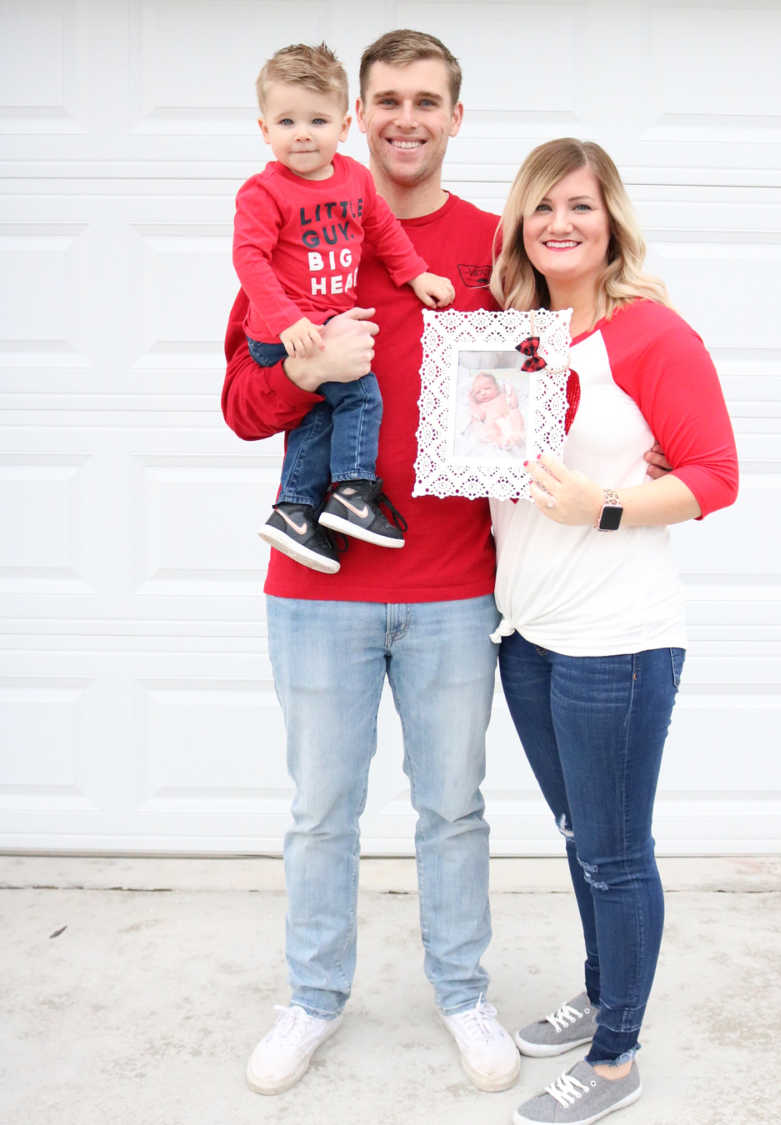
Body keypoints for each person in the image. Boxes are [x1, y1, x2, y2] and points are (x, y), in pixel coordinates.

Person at [222, 29, 522, 1097]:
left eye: (425, 100)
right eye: (386, 97)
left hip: (450, 586)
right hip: (314, 592)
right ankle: (311, 998)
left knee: (453, 807)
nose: (405, 116)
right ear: (357, 112)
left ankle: (463, 993)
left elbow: (546, 385)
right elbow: (240, 405)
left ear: (453, 116)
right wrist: (312, 370)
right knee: (321, 811)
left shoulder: (493, 242)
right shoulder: (299, 224)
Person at [488, 138, 739, 1124]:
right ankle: (603, 994)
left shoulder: (651, 335)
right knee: (578, 836)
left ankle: (617, 1059)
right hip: (526, 636)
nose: (560, 224)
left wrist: (604, 505)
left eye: (581, 207)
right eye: (542, 207)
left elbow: (716, 475)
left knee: (616, 852)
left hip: (617, 641)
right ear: (521, 223)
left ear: (612, 221)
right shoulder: (516, 335)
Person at [233, 42, 455, 572]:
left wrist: (415, 273)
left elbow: (381, 228)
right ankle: (354, 491)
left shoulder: (353, 179)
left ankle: (294, 509)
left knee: (321, 413)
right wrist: (292, 332)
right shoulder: (264, 194)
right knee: (361, 397)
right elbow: (250, 262)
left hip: (327, 323)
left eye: (316, 119)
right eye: (286, 121)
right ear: (264, 129)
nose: (302, 133)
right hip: (286, 332)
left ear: (342, 124)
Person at [468, 371, 526, 452]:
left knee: (514, 411)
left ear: (497, 387)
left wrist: (511, 392)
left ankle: (518, 433)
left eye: (487, 388)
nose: (483, 393)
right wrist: (472, 402)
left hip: (509, 418)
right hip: (494, 424)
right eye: (478, 392)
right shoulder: (481, 406)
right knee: (489, 427)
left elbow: (514, 404)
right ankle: (501, 441)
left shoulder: (502, 395)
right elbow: (479, 416)